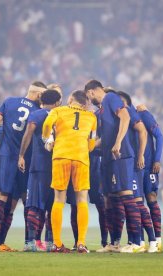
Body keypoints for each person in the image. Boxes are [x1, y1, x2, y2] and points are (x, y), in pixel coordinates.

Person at [0, 81, 46, 252]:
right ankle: (29, 243)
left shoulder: (9, 101)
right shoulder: (39, 112)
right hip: (27, 161)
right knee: (27, 202)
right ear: (39, 94)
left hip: (6, 157)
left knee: (2, 200)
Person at [84, 80, 142, 253]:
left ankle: (136, 243)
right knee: (110, 199)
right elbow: (103, 138)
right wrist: (86, 147)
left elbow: (125, 117)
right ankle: (114, 243)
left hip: (121, 154)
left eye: (88, 95)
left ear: (92, 91)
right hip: (108, 158)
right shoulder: (101, 110)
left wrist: (118, 142)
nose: (88, 99)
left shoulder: (111, 98)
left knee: (126, 195)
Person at [42, 90, 97, 253]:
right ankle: (81, 243)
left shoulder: (58, 110)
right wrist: (84, 147)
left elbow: (46, 126)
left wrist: (48, 140)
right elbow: (92, 143)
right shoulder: (92, 117)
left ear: (71, 99)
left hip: (61, 156)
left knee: (59, 199)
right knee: (81, 199)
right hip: (81, 158)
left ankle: (57, 244)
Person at [17, 89, 62, 252]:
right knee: (53, 206)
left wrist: (21, 155)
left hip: (38, 166)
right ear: (57, 102)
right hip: (57, 166)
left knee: (35, 205)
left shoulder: (36, 115)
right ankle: (50, 243)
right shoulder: (61, 115)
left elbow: (28, 135)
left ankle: (30, 242)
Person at [118, 91, 158, 253]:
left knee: (137, 203)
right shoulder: (121, 116)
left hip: (134, 165)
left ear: (124, 102)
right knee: (131, 203)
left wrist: (141, 156)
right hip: (127, 164)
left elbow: (146, 133)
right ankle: (137, 240)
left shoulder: (131, 114)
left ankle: (152, 241)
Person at [136, 104, 163, 252]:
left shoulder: (142, 114)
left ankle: (157, 241)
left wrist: (157, 159)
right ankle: (140, 242)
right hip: (134, 167)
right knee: (136, 202)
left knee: (151, 197)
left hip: (148, 166)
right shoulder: (121, 118)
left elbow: (159, 135)